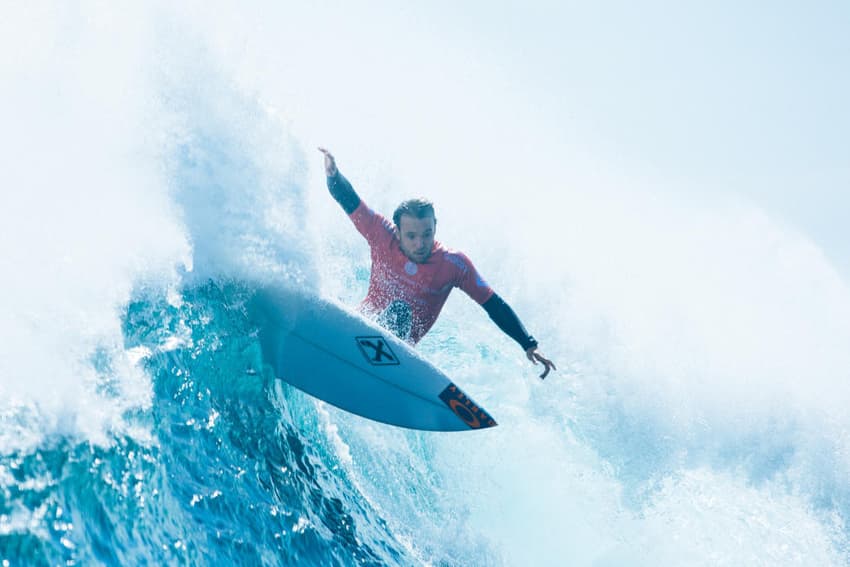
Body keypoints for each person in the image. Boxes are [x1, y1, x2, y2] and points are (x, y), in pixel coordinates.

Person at [319, 148, 556, 379]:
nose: (420, 243)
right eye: (411, 236)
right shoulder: (381, 235)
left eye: (427, 234)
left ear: (435, 228)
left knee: (401, 313)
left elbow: (493, 304)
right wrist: (333, 174)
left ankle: (377, 366)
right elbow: (349, 201)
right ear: (398, 232)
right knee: (394, 310)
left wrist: (529, 344)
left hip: (394, 353)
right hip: (361, 328)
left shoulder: (453, 265)